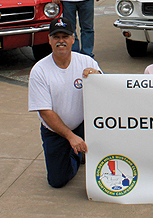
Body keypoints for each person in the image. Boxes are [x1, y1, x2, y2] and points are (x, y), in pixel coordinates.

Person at [28, 16, 102, 188]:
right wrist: (71, 137)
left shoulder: (86, 61)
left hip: (84, 125)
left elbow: (105, 92)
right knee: (57, 181)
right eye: (56, 37)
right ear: (49, 40)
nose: (61, 41)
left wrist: (96, 77)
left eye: (65, 37)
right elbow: (45, 112)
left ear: (73, 39)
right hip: (55, 131)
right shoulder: (40, 70)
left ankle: (81, 151)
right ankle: (76, 154)